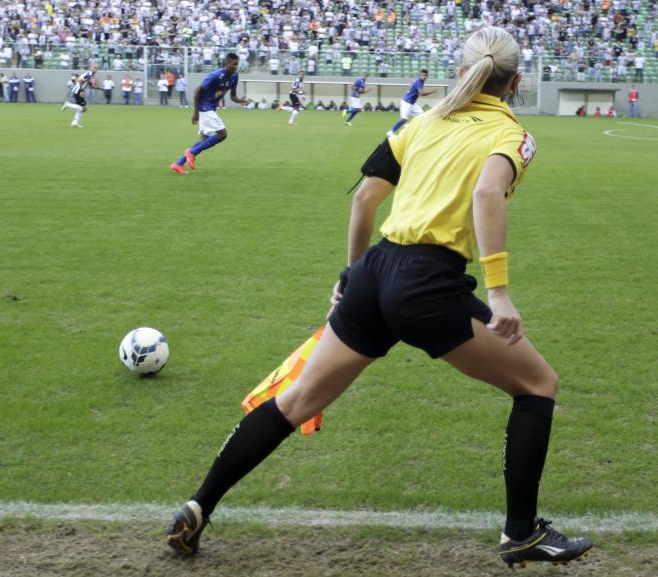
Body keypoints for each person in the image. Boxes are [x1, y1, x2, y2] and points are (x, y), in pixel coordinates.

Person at [164, 26, 593, 570]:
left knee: (294, 403)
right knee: (539, 385)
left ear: (462, 72)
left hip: (377, 270)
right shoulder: (512, 134)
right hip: (428, 280)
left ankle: (199, 504)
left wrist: (351, 272)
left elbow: (366, 197)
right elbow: (487, 193)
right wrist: (500, 293)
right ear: (517, 82)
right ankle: (522, 532)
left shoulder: (420, 122)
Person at [170, 53, 249, 175]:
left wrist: (241, 101)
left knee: (205, 139)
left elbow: (233, 96)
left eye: (237, 64)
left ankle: (178, 163)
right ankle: (191, 152)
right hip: (204, 107)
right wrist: (196, 112)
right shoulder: (215, 75)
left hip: (212, 107)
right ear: (226, 64)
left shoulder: (234, 76)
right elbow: (198, 90)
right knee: (222, 134)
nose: (235, 66)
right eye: (233, 64)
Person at [387, 69, 436, 136]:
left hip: (412, 104)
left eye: (425, 75)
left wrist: (412, 84)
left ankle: (410, 126)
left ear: (427, 76)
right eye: (423, 75)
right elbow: (422, 93)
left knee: (421, 116)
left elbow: (414, 87)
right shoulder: (418, 82)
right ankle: (391, 131)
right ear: (420, 75)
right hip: (406, 103)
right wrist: (432, 91)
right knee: (403, 119)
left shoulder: (419, 82)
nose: (424, 76)